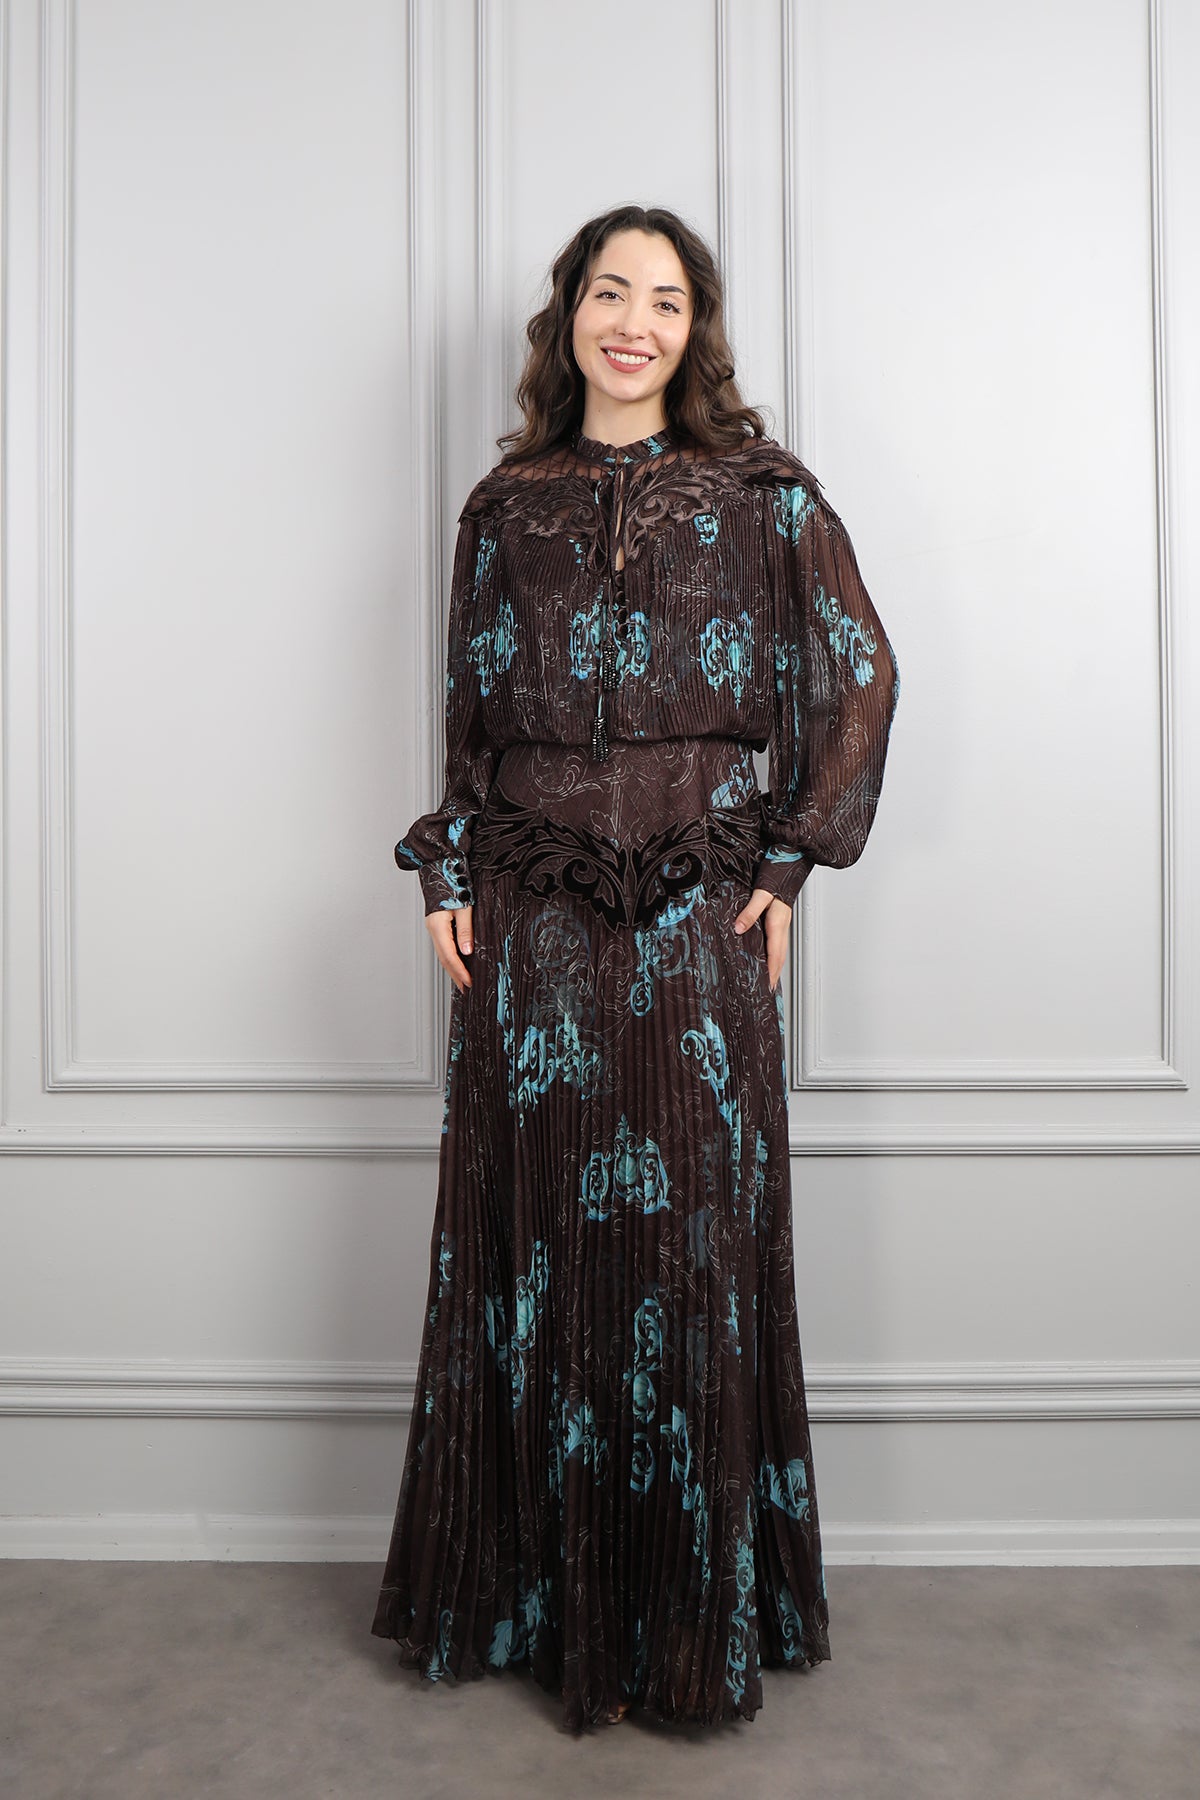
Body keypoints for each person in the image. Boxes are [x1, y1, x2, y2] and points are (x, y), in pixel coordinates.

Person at [371, 203, 899, 1733]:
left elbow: (857, 675)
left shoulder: (765, 495)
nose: (635, 323)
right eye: (612, 292)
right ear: (572, 316)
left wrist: (789, 859)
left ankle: (685, 1622)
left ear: (693, 331)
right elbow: (471, 714)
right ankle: (536, 1608)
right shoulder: (505, 505)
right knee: (534, 1250)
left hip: (695, 921)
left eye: (666, 301)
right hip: (530, 921)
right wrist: (447, 866)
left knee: (690, 1260)